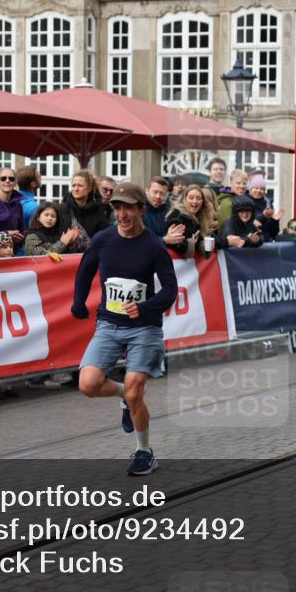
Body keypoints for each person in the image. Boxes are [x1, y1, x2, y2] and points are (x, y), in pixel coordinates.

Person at [72, 182, 178, 476]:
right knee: (88, 384)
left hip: (144, 327)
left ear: (141, 209)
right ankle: (123, 396)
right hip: (109, 323)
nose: (121, 214)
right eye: (117, 208)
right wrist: (79, 302)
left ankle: (144, 451)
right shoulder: (103, 240)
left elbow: (170, 290)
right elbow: (85, 270)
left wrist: (144, 307)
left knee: (135, 393)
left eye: (128, 208)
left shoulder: (154, 245)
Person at [164, 184, 222, 257]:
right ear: (184, 199)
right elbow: (175, 243)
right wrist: (190, 244)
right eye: (191, 198)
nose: (195, 201)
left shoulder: (199, 217)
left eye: (198, 198)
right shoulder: (176, 216)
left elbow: (199, 239)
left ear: (202, 201)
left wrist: (204, 246)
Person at [59, 170, 109, 239]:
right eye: (73, 185)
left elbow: (103, 237)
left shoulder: (98, 210)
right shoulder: (62, 208)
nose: (76, 189)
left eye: (80, 185)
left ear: (89, 188)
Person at [142, 177, 184, 248]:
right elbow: (141, 241)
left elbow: (174, 239)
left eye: (162, 193)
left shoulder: (170, 211)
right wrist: (164, 240)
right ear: (147, 191)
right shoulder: (139, 211)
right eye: (155, 192)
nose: (158, 196)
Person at [246, 173, 282, 241]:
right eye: (256, 188)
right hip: (251, 242)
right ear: (250, 189)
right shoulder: (245, 202)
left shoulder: (268, 204)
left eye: (262, 189)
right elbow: (247, 224)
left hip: (266, 242)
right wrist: (263, 216)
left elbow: (273, 233)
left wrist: (275, 220)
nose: (259, 191)